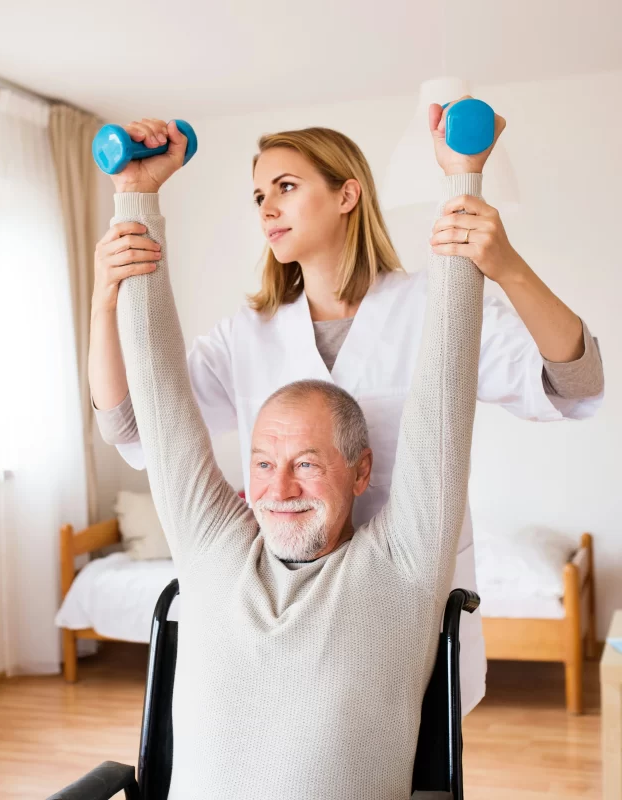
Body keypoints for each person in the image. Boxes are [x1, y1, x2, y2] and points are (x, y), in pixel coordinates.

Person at [89, 104, 604, 717]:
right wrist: (104, 300)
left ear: (346, 195)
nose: (267, 210)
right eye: (258, 197)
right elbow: (132, 427)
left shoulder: (431, 307)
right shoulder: (245, 337)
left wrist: (506, 265)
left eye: (285, 187)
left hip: (412, 614)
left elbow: (575, 382)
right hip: (289, 621)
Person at [109, 102, 496, 800]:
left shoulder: (403, 566)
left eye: (308, 463)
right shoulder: (212, 548)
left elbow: (446, 376)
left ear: (363, 470)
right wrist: (135, 196)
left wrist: (462, 178)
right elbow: (159, 402)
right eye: (261, 462)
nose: (278, 486)